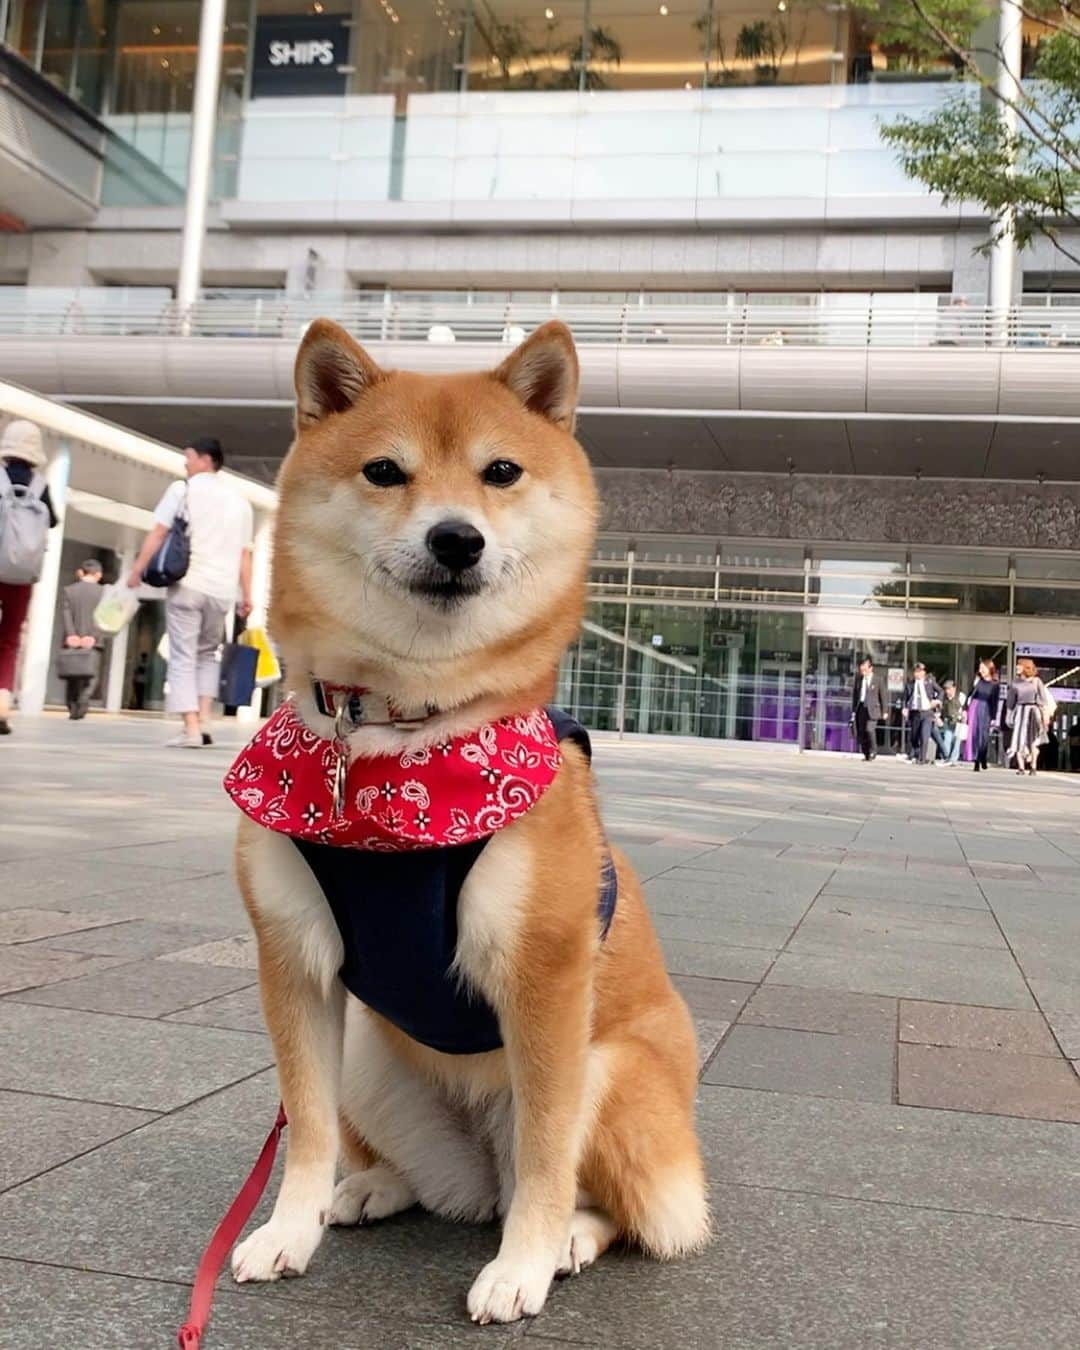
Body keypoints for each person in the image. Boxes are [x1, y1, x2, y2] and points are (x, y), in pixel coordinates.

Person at [128, 437, 253, 748]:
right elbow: (244, 554)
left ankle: (191, 728)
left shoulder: (183, 490)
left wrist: (137, 569)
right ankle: (206, 719)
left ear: (205, 460)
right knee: (208, 654)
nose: (185, 464)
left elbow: (159, 531)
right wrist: (247, 595)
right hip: (222, 590)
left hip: (189, 583)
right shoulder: (240, 501)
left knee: (183, 654)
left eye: (189, 457)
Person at [0, 420, 59, 736]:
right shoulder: (41, 485)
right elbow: (52, 522)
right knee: (9, 641)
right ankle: (2, 704)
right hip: (21, 576)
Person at [59, 559, 104, 719]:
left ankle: (72, 706)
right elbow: (104, 618)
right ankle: (83, 702)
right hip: (93, 643)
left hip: (72, 642)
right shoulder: (103, 593)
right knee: (91, 675)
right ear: (98, 574)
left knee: (72, 674)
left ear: (80, 573)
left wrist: (71, 635)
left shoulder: (69, 590)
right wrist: (93, 635)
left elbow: (66, 614)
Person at [1006, 657, 1052, 776]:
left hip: (1033, 711)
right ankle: (1021, 767)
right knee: (1018, 737)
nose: (1017, 667)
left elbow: (1043, 700)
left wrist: (1045, 716)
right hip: (1020, 710)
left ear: (1026, 667)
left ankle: (1033, 766)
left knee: (1032, 739)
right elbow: (1010, 701)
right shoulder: (1015, 682)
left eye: (1019, 665)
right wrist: (1008, 715)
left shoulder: (1036, 681)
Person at [902, 662, 943, 764]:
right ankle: (917, 752)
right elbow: (904, 699)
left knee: (925, 735)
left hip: (927, 712)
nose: (917, 674)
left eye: (919, 672)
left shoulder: (929, 682)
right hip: (915, 712)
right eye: (915, 672)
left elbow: (941, 691)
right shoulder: (910, 685)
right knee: (914, 737)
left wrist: (937, 700)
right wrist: (904, 708)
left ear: (924, 673)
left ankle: (922, 759)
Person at [850, 654, 886, 760]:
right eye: (862, 670)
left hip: (873, 709)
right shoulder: (859, 679)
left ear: (871, 668)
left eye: (865, 669)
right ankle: (866, 753)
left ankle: (873, 750)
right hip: (861, 708)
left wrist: (885, 711)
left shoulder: (878, 679)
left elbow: (883, 696)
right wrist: (853, 710)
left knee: (869, 729)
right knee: (861, 732)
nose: (863, 672)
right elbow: (855, 695)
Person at [968, 658, 1001, 773]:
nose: (981, 670)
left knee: (984, 736)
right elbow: (971, 695)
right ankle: (977, 760)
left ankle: (982, 757)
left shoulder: (995, 684)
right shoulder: (979, 681)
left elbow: (995, 701)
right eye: (980, 668)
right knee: (976, 734)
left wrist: (993, 717)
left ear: (989, 668)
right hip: (976, 707)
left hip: (986, 708)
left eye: (983, 668)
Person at [938, 678, 967, 765]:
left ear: (954, 688)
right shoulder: (944, 697)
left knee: (957, 741)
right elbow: (942, 709)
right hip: (948, 721)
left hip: (958, 721)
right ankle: (946, 757)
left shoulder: (961, 696)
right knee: (947, 739)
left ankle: (953, 759)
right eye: (946, 689)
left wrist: (964, 718)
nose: (947, 691)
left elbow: (964, 708)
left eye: (949, 688)